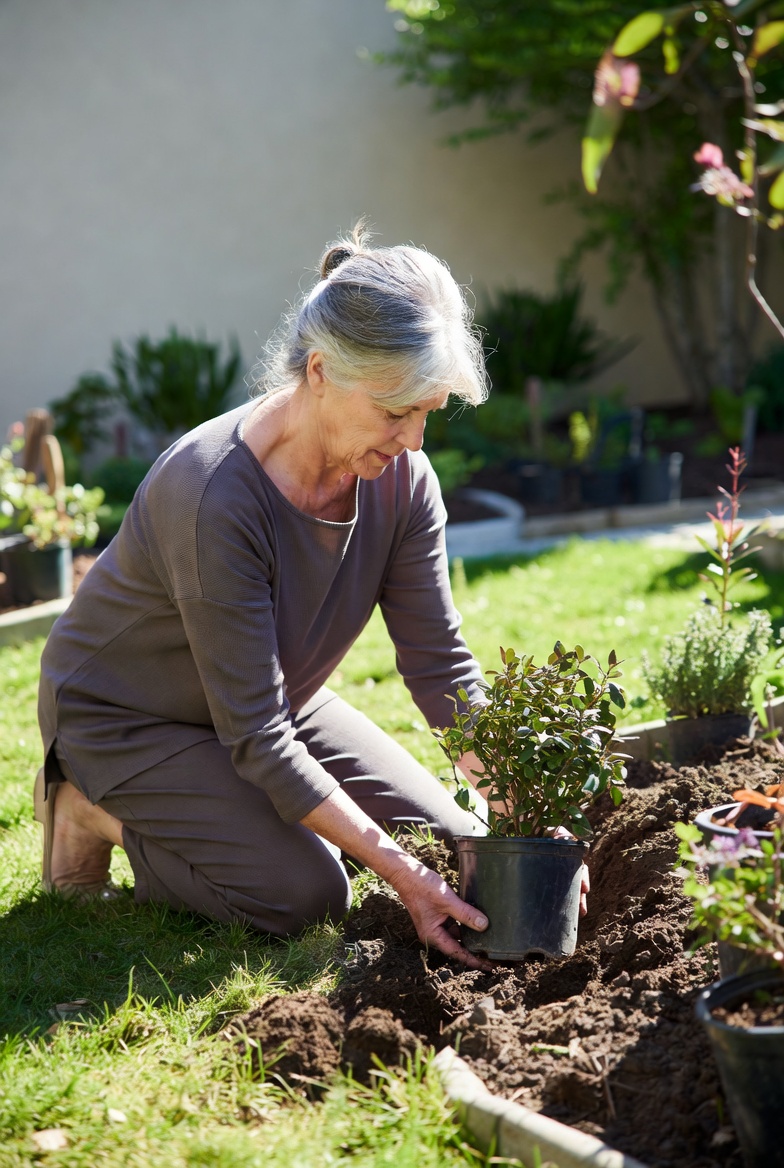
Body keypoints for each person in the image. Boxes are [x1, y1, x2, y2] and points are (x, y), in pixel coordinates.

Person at [36, 225, 501, 968]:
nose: (414, 440)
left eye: (429, 410)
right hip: (131, 716)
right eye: (394, 410)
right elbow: (257, 736)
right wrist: (399, 877)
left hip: (273, 696)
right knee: (306, 892)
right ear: (320, 372)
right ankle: (91, 808)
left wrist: (517, 801)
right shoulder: (214, 491)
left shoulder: (402, 481)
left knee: (457, 847)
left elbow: (441, 665)